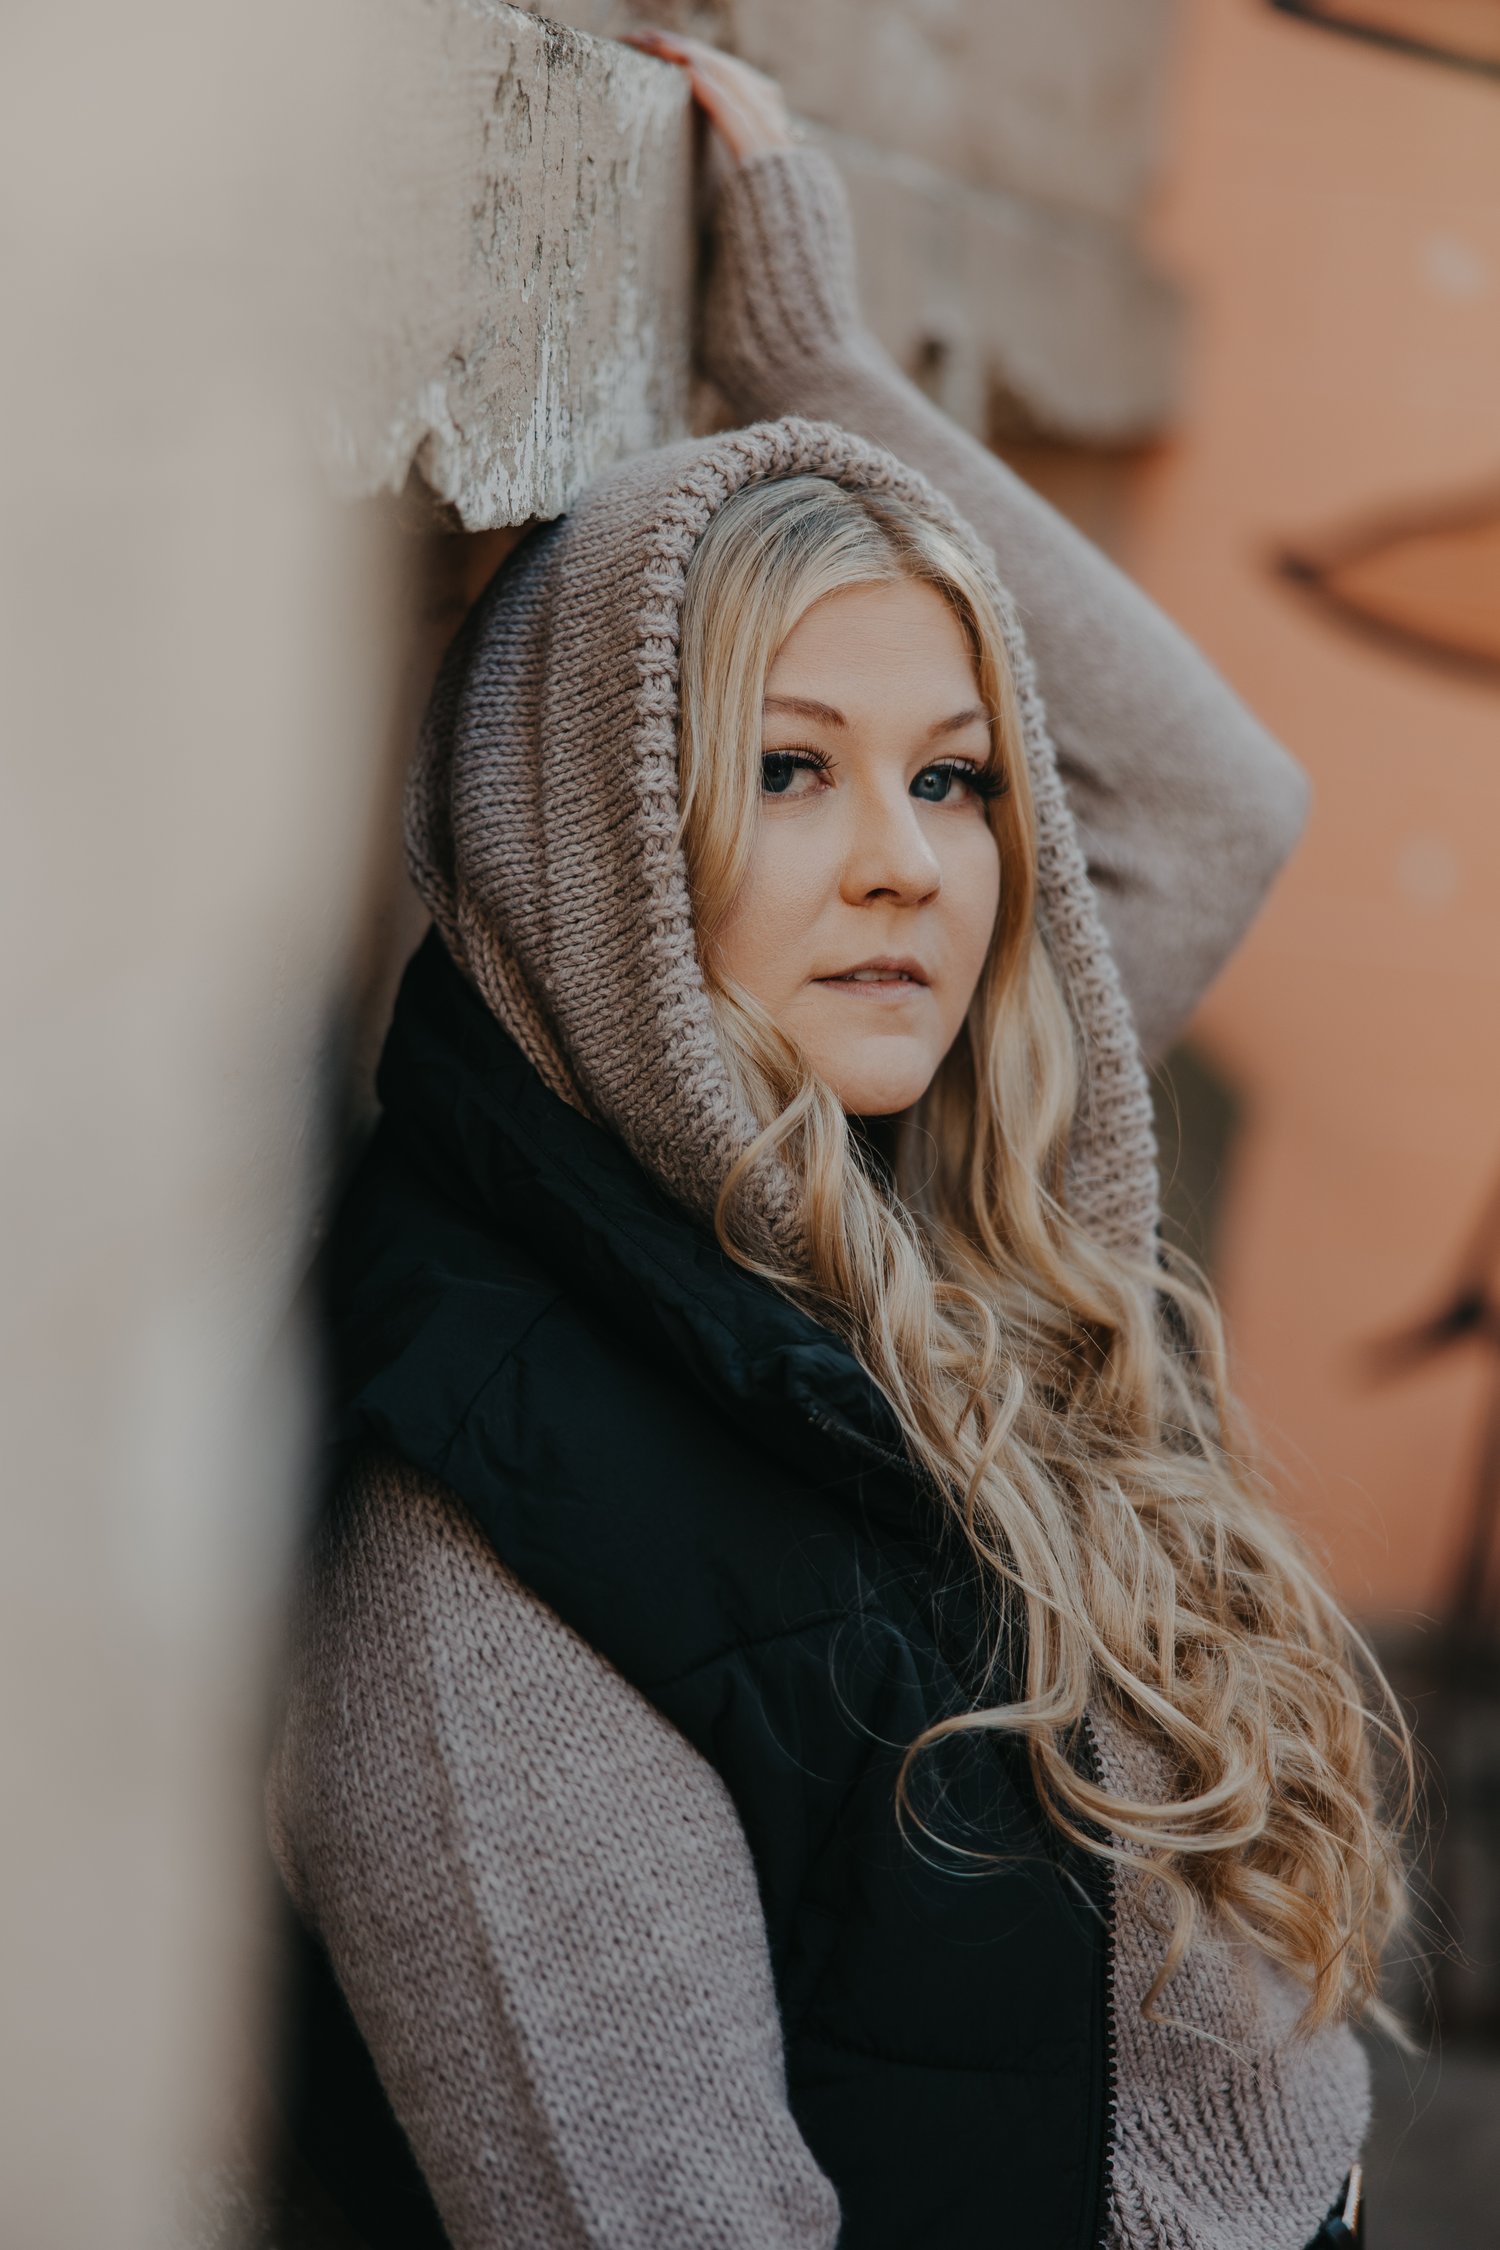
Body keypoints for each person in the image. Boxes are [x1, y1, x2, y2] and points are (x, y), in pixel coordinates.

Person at [267, 35, 1405, 2250]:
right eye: (788, 769)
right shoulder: (475, 1548)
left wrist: (814, 368)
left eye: (954, 776)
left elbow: (1207, 810)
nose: (909, 864)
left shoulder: (904, 1176)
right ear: (599, 837)